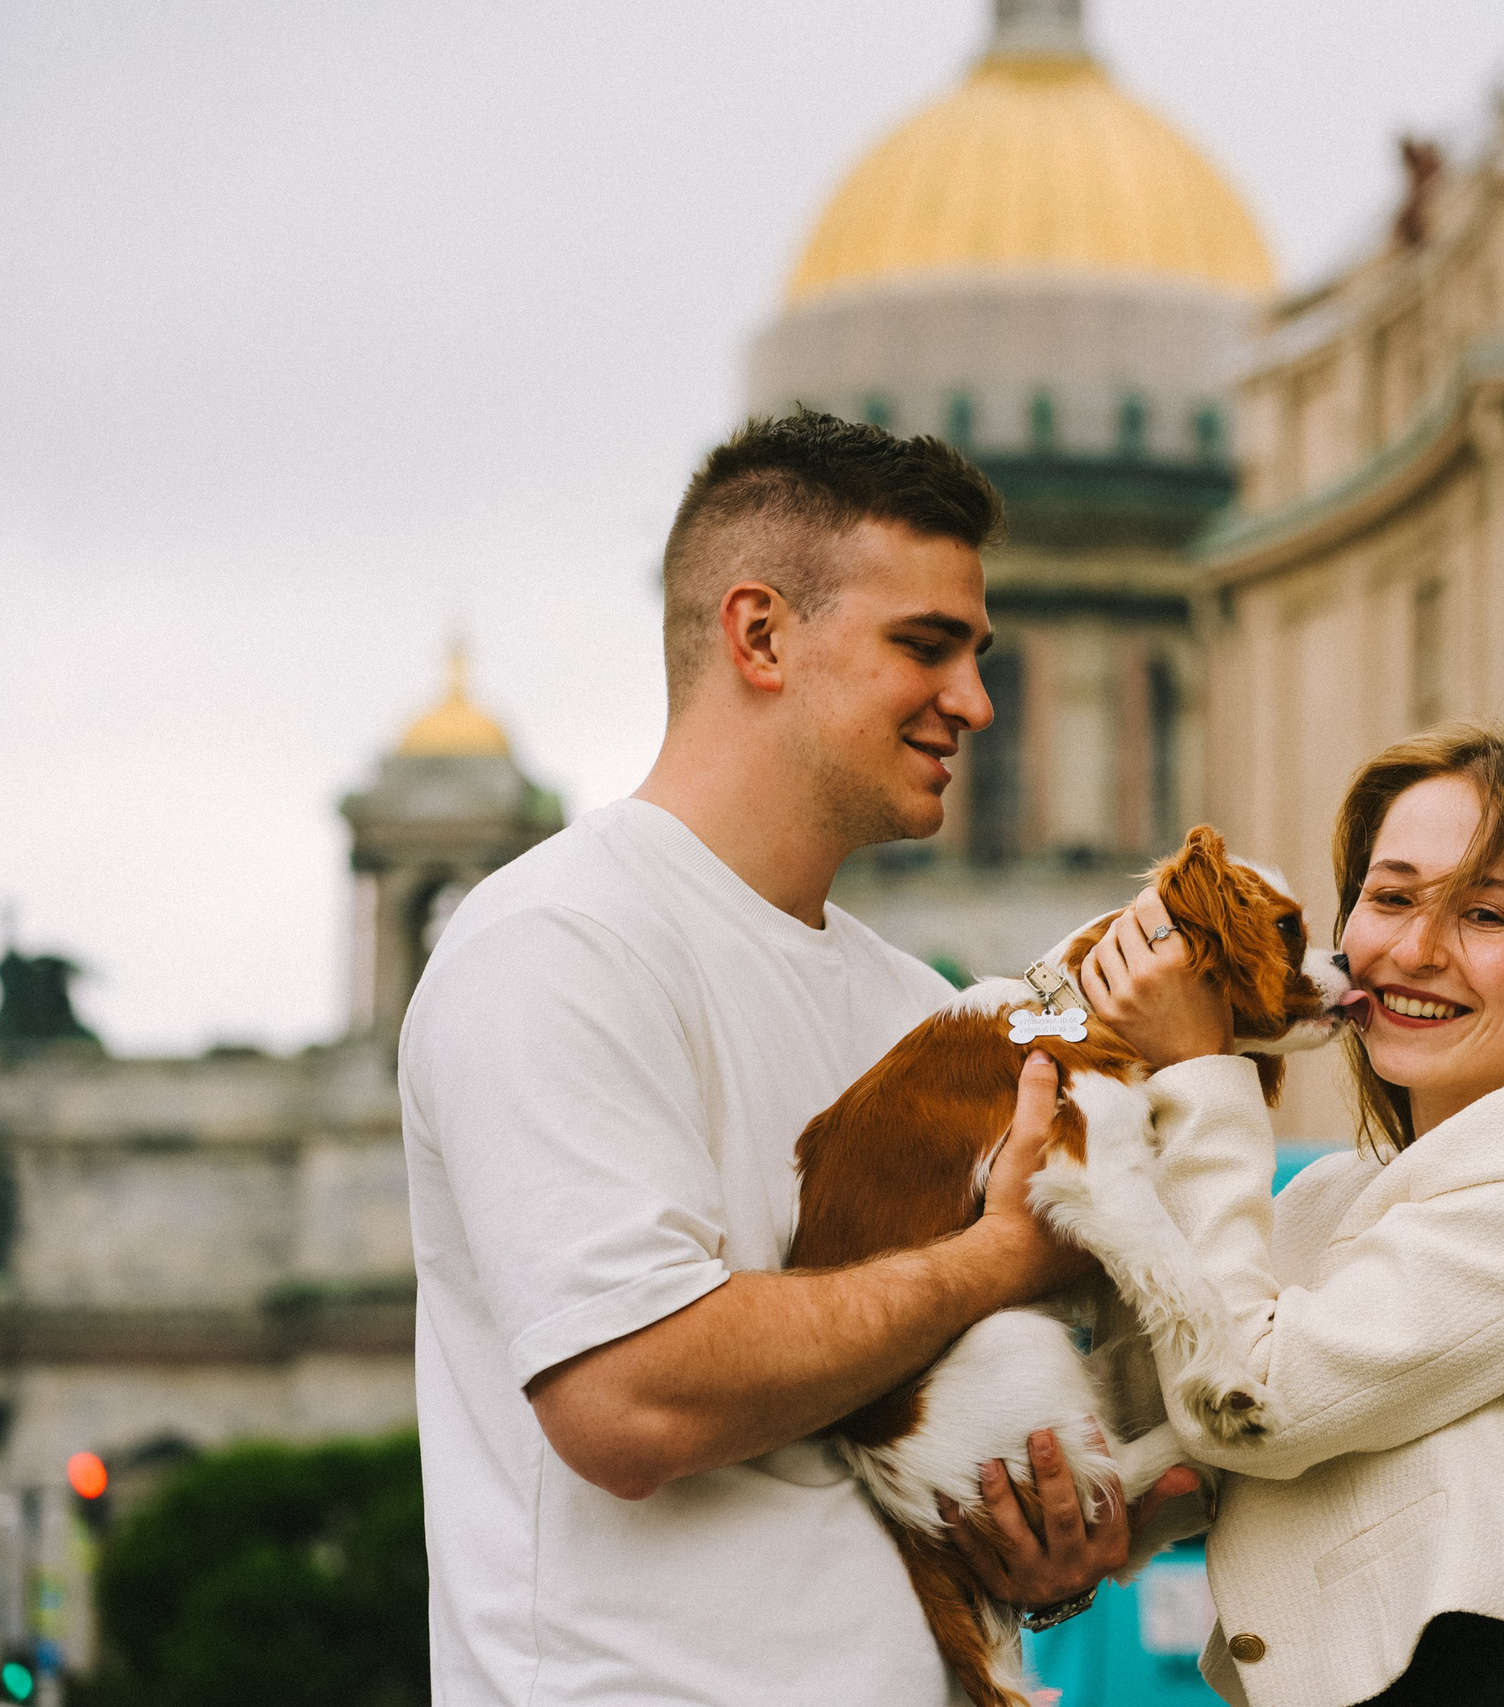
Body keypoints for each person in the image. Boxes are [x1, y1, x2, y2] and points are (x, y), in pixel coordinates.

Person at [398, 410, 1195, 1705]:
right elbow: (628, 1397)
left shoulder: (910, 1007)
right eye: (924, 647)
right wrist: (994, 1255)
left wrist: (1040, 1541)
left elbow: (916, 1429)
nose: (978, 702)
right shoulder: (555, 941)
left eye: (982, 654)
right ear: (760, 633)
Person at [1050, 725, 1504, 1707]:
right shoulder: (1336, 1196)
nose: (1414, 951)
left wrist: (1200, 1074)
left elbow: (1251, 1398)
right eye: (1390, 897)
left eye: (1484, 914)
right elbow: (1154, 1403)